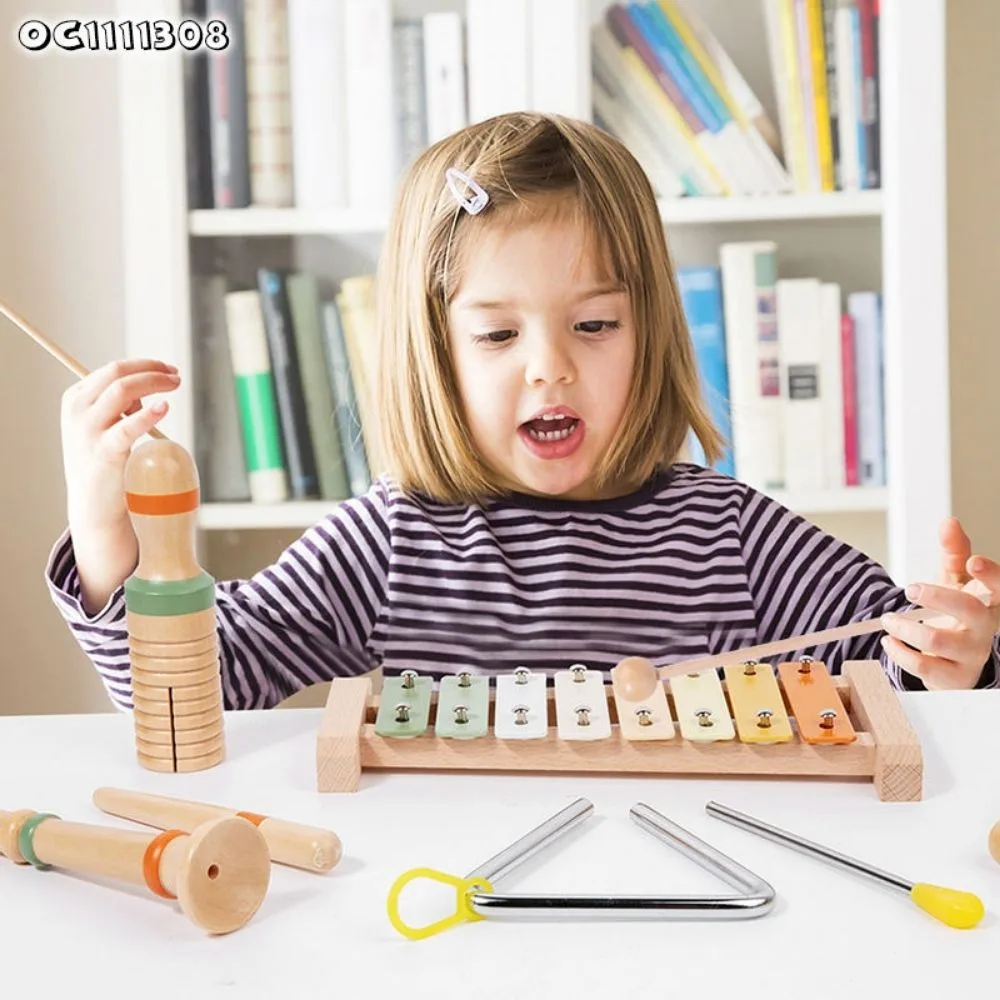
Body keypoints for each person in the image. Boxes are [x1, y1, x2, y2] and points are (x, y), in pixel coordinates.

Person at [46, 112, 1000, 712]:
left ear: (649, 329)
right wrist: (104, 528)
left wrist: (960, 656)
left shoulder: (728, 537)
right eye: (498, 337)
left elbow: (902, 666)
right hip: (444, 921)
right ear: (436, 350)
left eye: (593, 323)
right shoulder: (388, 545)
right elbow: (185, 692)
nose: (551, 370)